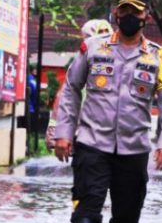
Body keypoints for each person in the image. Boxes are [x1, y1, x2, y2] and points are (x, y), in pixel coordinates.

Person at [54, 0, 162, 223]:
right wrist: (63, 133)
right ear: (115, 13)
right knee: (86, 207)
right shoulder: (92, 47)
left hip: (134, 148)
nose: (129, 16)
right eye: (124, 10)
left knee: (127, 217)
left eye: (136, 11)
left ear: (146, 16)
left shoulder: (158, 56)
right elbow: (70, 88)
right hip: (92, 143)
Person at [45, 19, 114, 150]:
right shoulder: (83, 61)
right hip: (84, 132)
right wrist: (55, 129)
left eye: (106, 33)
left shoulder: (118, 60)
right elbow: (66, 95)